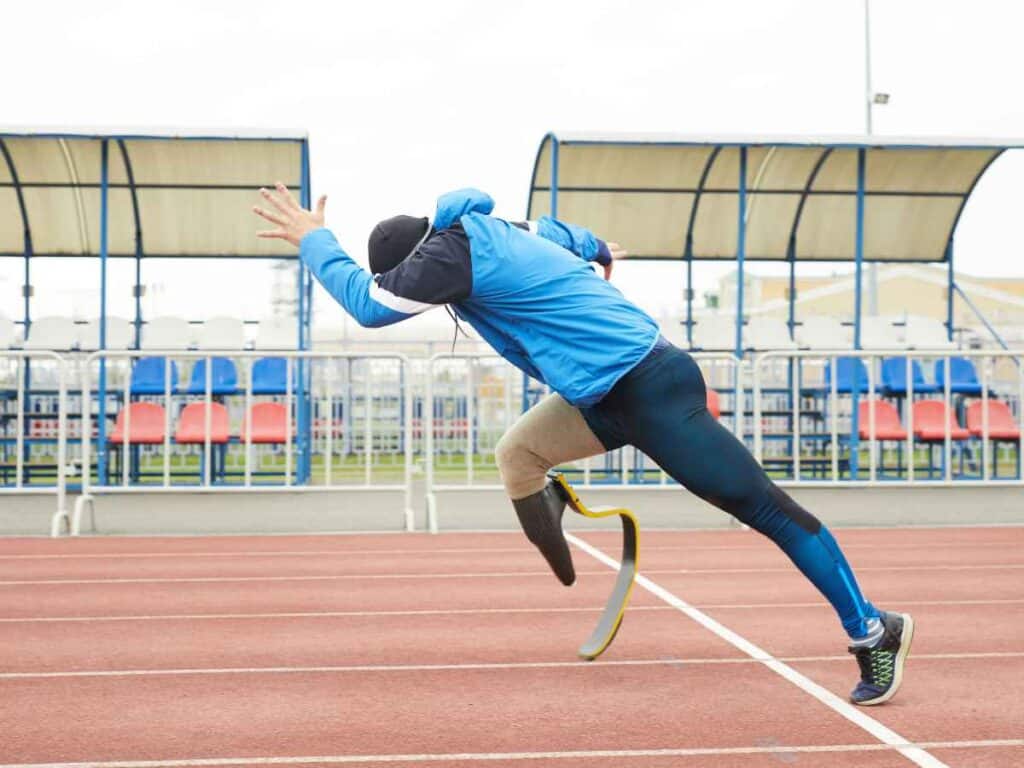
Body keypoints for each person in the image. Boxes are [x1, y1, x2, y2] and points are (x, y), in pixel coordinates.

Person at [252, 183, 914, 706]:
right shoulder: (498, 228)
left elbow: (369, 306)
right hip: (601, 397)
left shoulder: (450, 253)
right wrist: (597, 249)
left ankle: (871, 629)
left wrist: (317, 241)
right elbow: (557, 231)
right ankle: (562, 542)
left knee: (765, 509)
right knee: (518, 453)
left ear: (421, 261)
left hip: (652, 389)